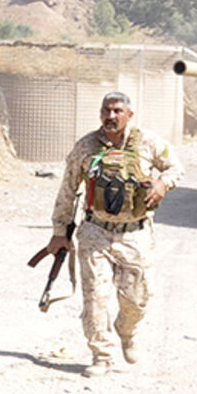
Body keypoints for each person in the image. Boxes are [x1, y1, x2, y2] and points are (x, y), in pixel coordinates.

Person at [43, 91, 184, 378]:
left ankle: (126, 331)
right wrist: (60, 231)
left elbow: (175, 167)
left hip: (135, 235)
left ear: (129, 115)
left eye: (118, 111)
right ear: (100, 114)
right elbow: (68, 191)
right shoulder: (86, 147)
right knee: (95, 296)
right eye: (106, 111)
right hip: (96, 232)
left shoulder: (148, 142)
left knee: (137, 299)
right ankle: (101, 356)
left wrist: (162, 183)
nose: (111, 116)